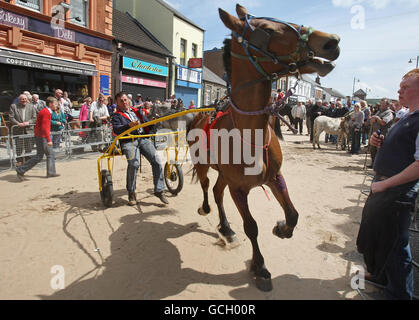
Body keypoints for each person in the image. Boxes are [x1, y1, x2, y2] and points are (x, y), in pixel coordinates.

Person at [356, 69, 419, 300]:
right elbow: (404, 152)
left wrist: (384, 185)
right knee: (382, 239)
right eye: (400, 87)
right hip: (385, 187)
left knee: (396, 245)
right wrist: (379, 144)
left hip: (396, 192)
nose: (399, 91)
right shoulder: (406, 116)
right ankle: (382, 277)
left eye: (405, 88)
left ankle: (400, 294)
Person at [111, 91, 168, 206]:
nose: (124, 102)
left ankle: (159, 190)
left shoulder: (136, 111)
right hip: (128, 141)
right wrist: (129, 125)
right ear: (117, 103)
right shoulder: (116, 116)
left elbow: (147, 124)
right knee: (134, 164)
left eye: (125, 100)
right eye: (121, 101)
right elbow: (117, 130)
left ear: (128, 100)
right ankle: (131, 192)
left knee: (156, 160)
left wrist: (155, 122)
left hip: (142, 138)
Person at [16, 97, 60, 180]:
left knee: (49, 154)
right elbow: (45, 128)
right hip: (42, 136)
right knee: (40, 156)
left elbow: (44, 127)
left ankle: (51, 172)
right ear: (50, 104)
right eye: (55, 104)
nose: (57, 105)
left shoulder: (46, 111)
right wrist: (49, 139)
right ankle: (21, 169)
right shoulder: (46, 112)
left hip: (40, 135)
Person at [9, 94, 37, 166]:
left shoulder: (31, 106)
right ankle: (19, 160)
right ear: (19, 100)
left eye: (25, 99)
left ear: (27, 99)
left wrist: (28, 122)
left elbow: (34, 117)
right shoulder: (14, 106)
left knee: (29, 145)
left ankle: (28, 159)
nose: (24, 100)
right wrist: (18, 123)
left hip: (29, 129)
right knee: (19, 146)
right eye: (22, 99)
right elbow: (11, 117)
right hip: (18, 129)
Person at [367, 98, 394, 168]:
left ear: (387, 104)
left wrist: (377, 118)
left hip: (382, 134)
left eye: (383, 103)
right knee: (372, 150)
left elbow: (384, 122)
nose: (381, 105)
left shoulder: (389, 113)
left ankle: (379, 165)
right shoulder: (379, 112)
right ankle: (373, 163)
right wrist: (372, 120)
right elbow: (372, 120)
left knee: (380, 151)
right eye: (381, 103)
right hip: (374, 133)